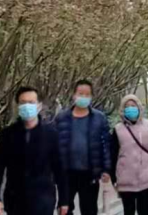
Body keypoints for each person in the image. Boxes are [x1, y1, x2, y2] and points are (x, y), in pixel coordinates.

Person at [0, 86, 70, 215]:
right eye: (23, 103)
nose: (27, 106)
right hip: (15, 201)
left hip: (43, 201)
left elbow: (60, 170)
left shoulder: (51, 135)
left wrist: (64, 200)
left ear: (39, 106)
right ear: (17, 106)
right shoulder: (8, 134)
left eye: (31, 102)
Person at [55, 80, 112, 215]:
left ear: (91, 97)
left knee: (89, 209)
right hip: (66, 174)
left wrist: (107, 170)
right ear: (74, 95)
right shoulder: (61, 118)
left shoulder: (99, 118)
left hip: (90, 173)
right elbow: (54, 146)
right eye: (80, 94)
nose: (83, 97)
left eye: (87, 94)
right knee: (64, 209)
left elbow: (106, 146)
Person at [110, 95, 148, 215]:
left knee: (144, 210)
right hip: (125, 179)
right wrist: (113, 178)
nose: (130, 109)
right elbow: (113, 155)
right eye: (127, 107)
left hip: (146, 177)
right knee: (128, 211)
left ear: (139, 107)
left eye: (133, 106)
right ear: (122, 110)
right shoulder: (118, 129)